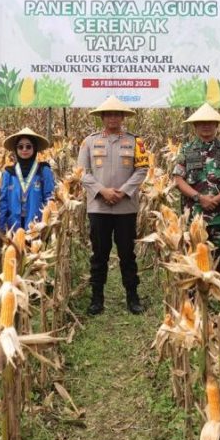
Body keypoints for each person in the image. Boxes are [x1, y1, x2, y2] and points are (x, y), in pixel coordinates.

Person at [76, 96, 150, 315]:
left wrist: (124, 191)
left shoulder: (135, 142)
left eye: (117, 114)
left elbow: (142, 170)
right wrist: (102, 191)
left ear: (123, 117)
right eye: (108, 114)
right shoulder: (89, 142)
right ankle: (96, 298)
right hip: (98, 207)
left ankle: (133, 297)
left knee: (127, 253)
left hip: (125, 207)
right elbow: (82, 172)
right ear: (102, 117)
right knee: (99, 254)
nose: (113, 118)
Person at [173, 103, 220, 265]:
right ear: (195, 126)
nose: (206, 126)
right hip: (194, 217)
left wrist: (217, 199)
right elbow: (178, 179)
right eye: (201, 122)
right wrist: (199, 198)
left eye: (210, 122)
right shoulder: (186, 150)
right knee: (195, 263)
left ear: (217, 125)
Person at [0, 127, 55, 232]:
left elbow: (49, 198)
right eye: (20, 147)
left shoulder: (43, 170)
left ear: (34, 149)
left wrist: (47, 226)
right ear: (16, 149)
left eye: (28, 146)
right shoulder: (9, 173)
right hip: (13, 227)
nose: (24, 150)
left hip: (37, 227)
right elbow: (3, 202)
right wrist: (1, 228)